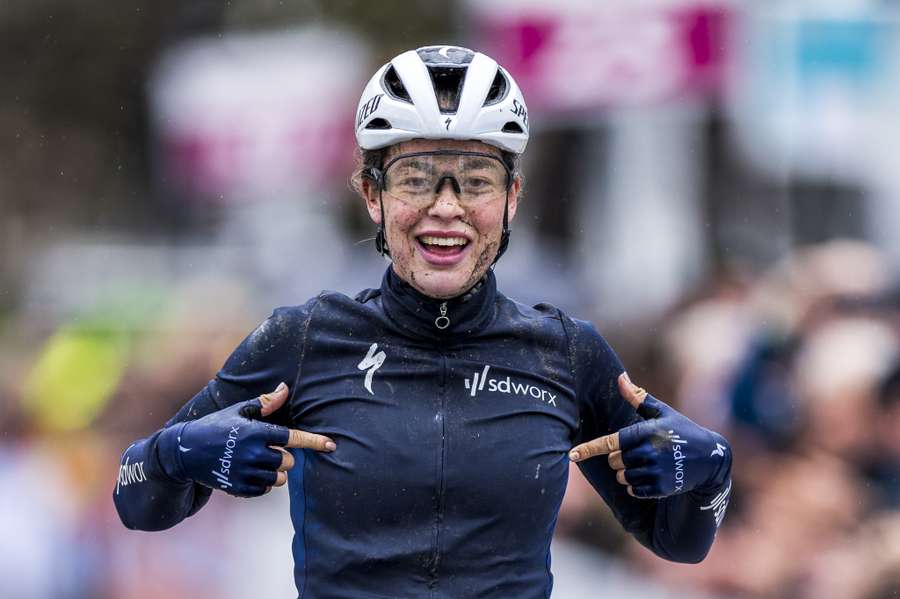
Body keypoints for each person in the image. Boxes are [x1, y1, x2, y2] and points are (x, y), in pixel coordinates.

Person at [114, 45, 733, 598]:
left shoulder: (567, 354)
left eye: (476, 181)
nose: (446, 208)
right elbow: (134, 501)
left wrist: (711, 475)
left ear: (512, 197)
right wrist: (173, 457)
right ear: (371, 194)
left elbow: (680, 542)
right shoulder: (301, 340)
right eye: (415, 178)